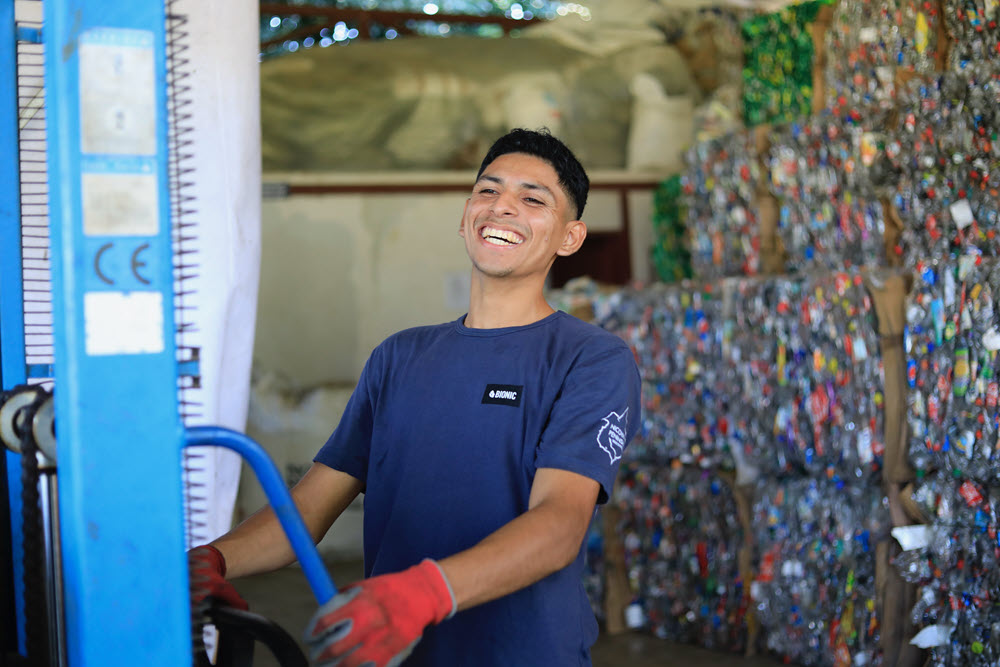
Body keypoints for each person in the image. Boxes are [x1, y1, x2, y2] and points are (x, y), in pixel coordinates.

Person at [189, 128, 642, 666]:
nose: (502, 208)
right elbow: (304, 513)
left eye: (532, 198)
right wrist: (213, 559)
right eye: (488, 190)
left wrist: (422, 594)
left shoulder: (590, 359)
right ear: (465, 215)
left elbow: (559, 524)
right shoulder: (399, 357)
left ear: (570, 237)